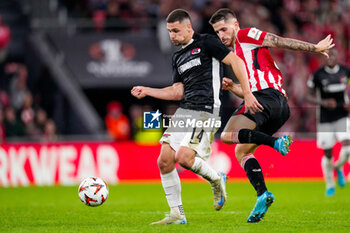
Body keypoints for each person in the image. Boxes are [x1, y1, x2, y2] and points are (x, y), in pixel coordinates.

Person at [131, 9, 262, 225]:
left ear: (188, 27)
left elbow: (236, 62)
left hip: (207, 109)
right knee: (164, 161)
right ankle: (176, 214)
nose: (172, 35)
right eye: (169, 32)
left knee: (184, 158)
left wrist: (246, 93)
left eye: (175, 30)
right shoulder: (178, 57)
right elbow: (177, 92)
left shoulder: (207, 42)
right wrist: (148, 90)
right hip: (185, 110)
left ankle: (216, 179)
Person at [209, 8, 334, 223]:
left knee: (227, 135)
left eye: (223, 29)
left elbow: (277, 40)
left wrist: (314, 48)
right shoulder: (240, 54)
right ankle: (262, 194)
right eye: (217, 32)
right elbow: (253, 85)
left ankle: (275, 143)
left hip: (267, 98)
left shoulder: (244, 35)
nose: (221, 36)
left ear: (235, 25)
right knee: (241, 151)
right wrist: (234, 88)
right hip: (278, 106)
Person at [306, 49, 350, 196]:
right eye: (327, 56)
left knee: (347, 148)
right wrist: (322, 102)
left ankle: (338, 167)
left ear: (338, 57)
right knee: (328, 153)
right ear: (324, 58)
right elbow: (308, 95)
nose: (330, 58)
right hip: (325, 119)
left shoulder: (345, 71)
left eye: (333, 55)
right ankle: (330, 184)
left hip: (342, 116)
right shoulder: (318, 74)